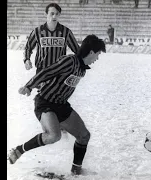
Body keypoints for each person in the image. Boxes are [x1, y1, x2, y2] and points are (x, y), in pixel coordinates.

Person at [7, 35, 106, 176]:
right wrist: (29, 86)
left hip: (61, 105)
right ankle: (19, 150)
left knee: (84, 136)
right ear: (91, 52)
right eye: (97, 54)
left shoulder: (82, 68)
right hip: (45, 103)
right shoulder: (69, 61)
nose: (97, 58)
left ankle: (76, 170)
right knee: (54, 135)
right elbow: (47, 72)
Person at [23, 3, 80, 76]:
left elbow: (77, 49)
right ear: (45, 14)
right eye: (52, 13)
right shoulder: (37, 31)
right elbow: (28, 48)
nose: (54, 16)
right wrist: (27, 60)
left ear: (59, 15)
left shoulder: (66, 32)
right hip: (42, 71)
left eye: (57, 14)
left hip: (60, 72)